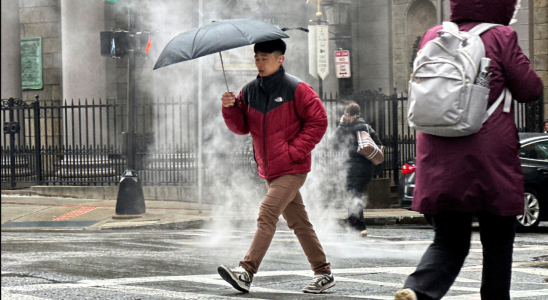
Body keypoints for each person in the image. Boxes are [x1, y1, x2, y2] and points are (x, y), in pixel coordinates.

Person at [395, 1, 543, 300]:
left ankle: (418, 291)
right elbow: (530, 90)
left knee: (448, 240)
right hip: (489, 159)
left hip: (436, 154)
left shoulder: (433, 35)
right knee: (498, 242)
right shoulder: (501, 36)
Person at [217, 39, 335, 294]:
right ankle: (323, 273)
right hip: (270, 170)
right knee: (300, 223)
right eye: (257, 57)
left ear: (280, 59)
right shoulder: (248, 91)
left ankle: (246, 271)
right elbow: (241, 128)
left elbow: (319, 121)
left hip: (292, 169)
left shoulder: (297, 88)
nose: (259, 62)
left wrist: (295, 151)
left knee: (267, 213)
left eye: (265, 58)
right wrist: (230, 108)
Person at [331, 101, 382, 237]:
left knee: (352, 196)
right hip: (367, 168)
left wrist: (341, 124)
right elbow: (378, 145)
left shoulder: (346, 128)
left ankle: (358, 227)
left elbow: (333, 143)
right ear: (359, 114)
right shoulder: (366, 127)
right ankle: (355, 226)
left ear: (347, 114)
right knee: (356, 195)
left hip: (353, 167)